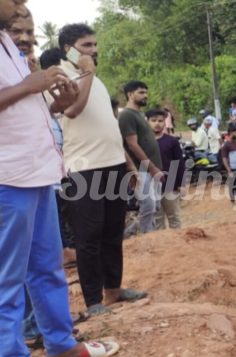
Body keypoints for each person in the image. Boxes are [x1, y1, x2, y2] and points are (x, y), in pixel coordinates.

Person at [0, 1, 120, 355]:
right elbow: (18, 93)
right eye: (15, 3)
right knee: (8, 279)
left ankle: (61, 343)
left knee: (47, 268)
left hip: (38, 175)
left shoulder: (11, 49)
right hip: (8, 178)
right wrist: (28, 85)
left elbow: (23, 110)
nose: (21, 4)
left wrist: (55, 103)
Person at [56, 22, 147, 317]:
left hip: (114, 166)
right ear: (67, 49)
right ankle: (93, 301)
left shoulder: (96, 79)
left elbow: (108, 126)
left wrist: (128, 165)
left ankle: (114, 291)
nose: (94, 51)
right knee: (89, 237)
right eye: (86, 46)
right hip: (84, 170)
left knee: (112, 232)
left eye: (95, 45)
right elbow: (72, 110)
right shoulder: (59, 77)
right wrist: (87, 73)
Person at [118, 80, 163, 236]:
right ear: (130, 95)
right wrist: (152, 168)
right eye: (141, 92)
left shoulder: (139, 115)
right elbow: (132, 145)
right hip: (140, 169)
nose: (146, 96)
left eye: (146, 92)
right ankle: (147, 237)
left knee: (155, 206)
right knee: (148, 205)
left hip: (150, 169)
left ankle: (132, 232)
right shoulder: (126, 115)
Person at [147, 109, 184, 229]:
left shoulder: (172, 141)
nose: (157, 123)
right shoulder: (142, 142)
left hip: (170, 185)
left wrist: (181, 184)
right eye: (153, 120)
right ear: (147, 122)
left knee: (174, 218)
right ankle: (161, 247)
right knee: (157, 221)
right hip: (151, 186)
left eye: (160, 121)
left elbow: (179, 163)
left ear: (165, 123)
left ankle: (178, 246)